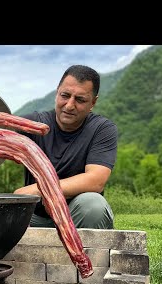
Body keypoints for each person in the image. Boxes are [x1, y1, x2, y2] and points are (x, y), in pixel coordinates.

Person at [14, 65, 117, 229]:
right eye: (65, 95)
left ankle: (87, 254)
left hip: (74, 216)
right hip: (34, 217)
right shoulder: (32, 124)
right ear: (57, 92)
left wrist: (39, 189)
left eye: (80, 100)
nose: (69, 105)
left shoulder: (101, 129)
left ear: (93, 102)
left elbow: (96, 180)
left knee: (93, 205)